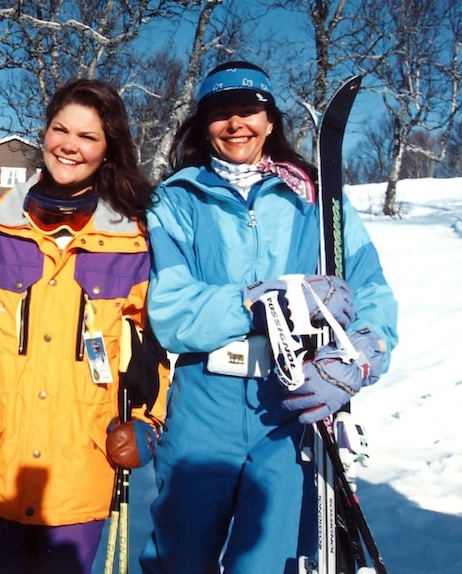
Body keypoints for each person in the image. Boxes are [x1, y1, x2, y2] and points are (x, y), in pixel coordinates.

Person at [139, 61, 398, 573]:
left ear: (271, 121)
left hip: (291, 403)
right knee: (179, 557)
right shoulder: (175, 200)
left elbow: (369, 290)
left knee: (268, 562)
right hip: (202, 403)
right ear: (203, 124)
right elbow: (170, 312)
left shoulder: (316, 201)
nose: (236, 124)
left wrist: (360, 354)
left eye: (249, 111)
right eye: (220, 113)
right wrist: (263, 300)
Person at [0, 79, 169, 573]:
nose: (69, 145)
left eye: (88, 136)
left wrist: (146, 424)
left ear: (108, 150)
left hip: (82, 470)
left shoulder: (133, 241)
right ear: (45, 132)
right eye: (60, 129)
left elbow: (150, 350)